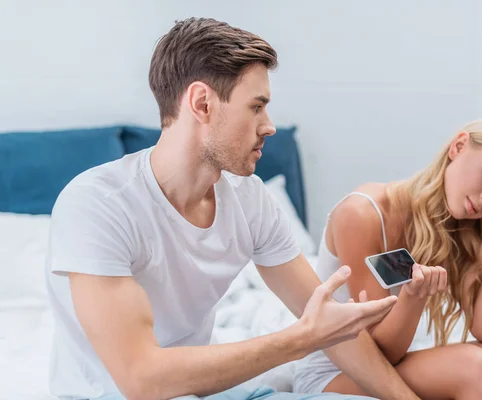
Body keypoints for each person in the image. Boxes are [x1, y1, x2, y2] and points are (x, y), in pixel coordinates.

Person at [44, 18, 423, 400]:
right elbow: (142, 379)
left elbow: (332, 330)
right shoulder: (98, 205)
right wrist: (303, 337)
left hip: (209, 392)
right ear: (202, 103)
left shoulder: (249, 199)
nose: (269, 126)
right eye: (256, 107)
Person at [294, 118, 482, 400]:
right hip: (342, 371)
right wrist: (412, 299)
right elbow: (378, 353)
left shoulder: (461, 222)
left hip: (400, 360)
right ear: (459, 147)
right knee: (474, 369)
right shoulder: (364, 214)